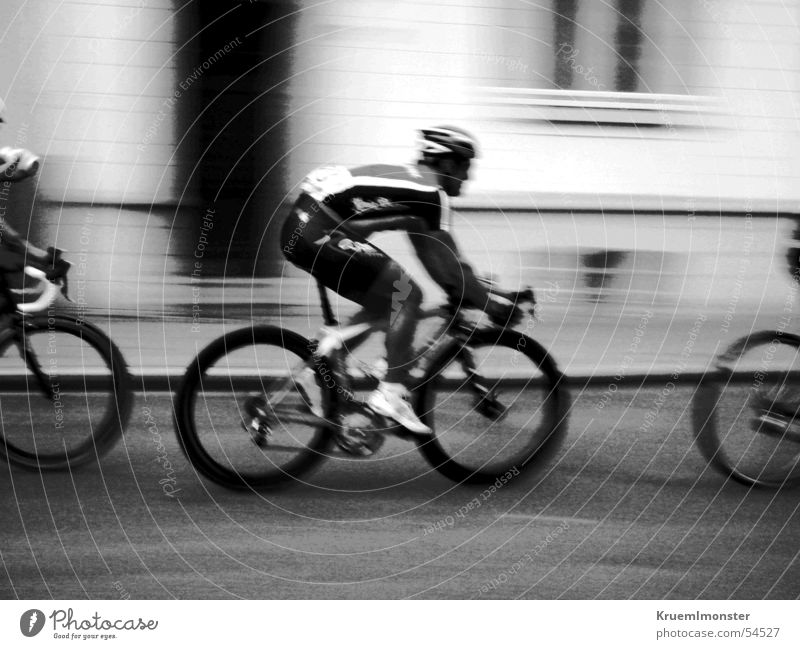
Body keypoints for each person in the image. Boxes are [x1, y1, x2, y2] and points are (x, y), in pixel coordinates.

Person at [280, 126, 521, 435]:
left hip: (304, 227)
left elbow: (432, 255)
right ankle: (390, 395)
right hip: (318, 231)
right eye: (465, 167)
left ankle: (317, 372)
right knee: (407, 295)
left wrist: (459, 290)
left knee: (389, 303)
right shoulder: (431, 194)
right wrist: (493, 308)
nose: (468, 177)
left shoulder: (415, 189)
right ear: (447, 163)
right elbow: (454, 264)